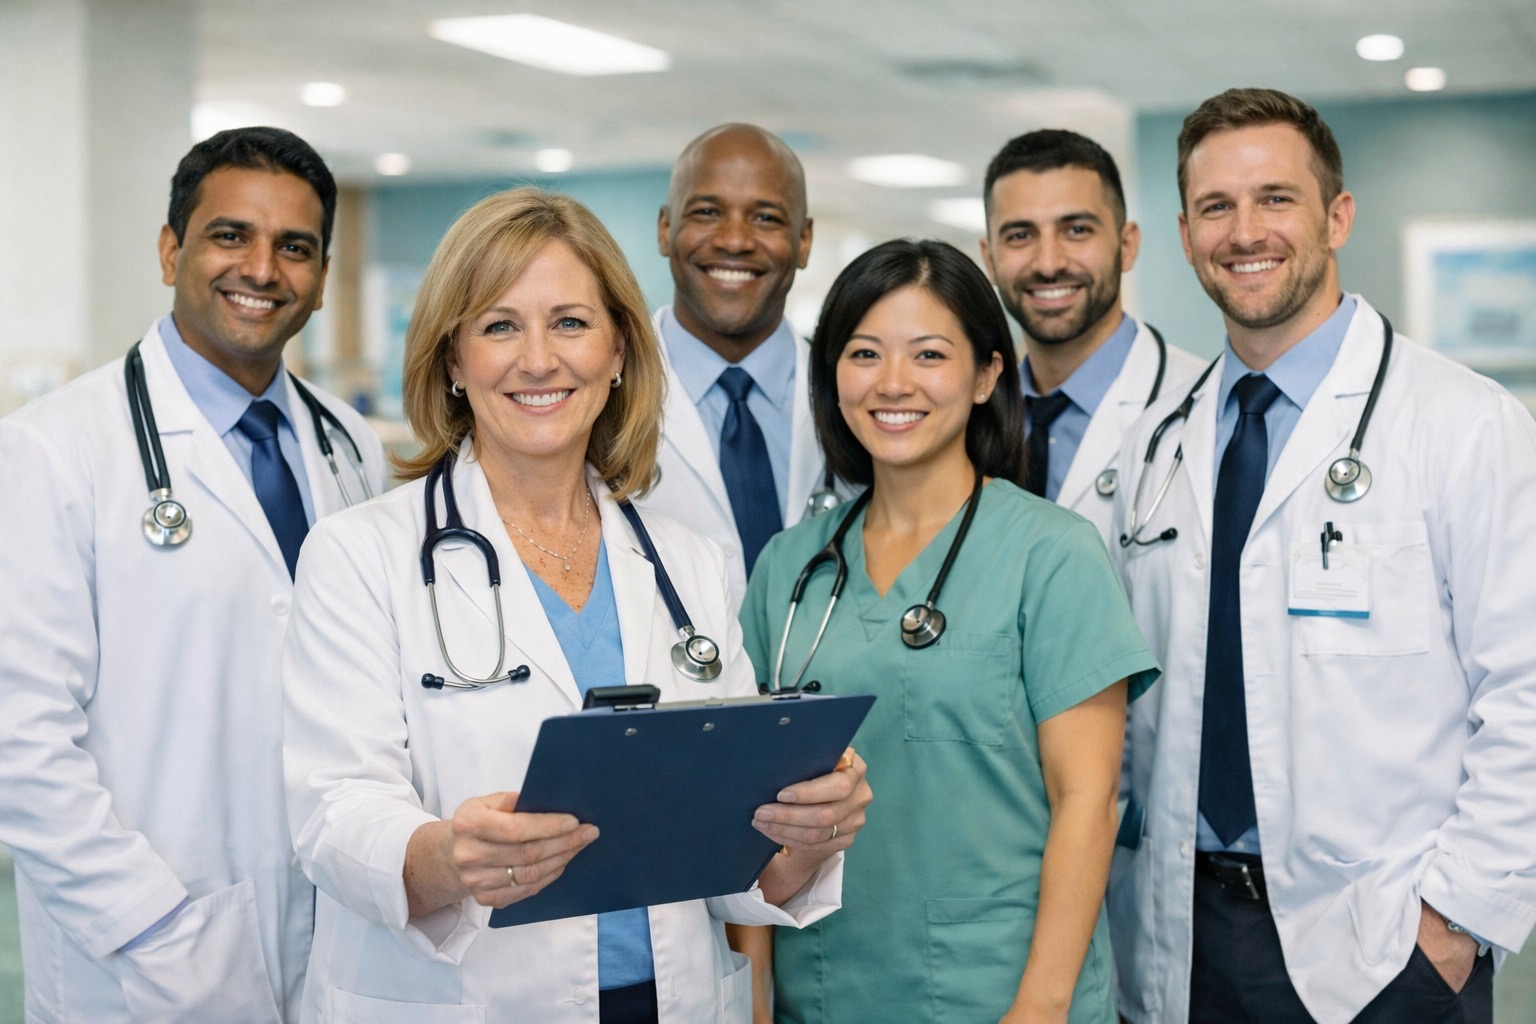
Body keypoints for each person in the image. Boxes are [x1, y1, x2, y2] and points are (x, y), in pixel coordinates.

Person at [281, 187, 871, 1023]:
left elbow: (737, 868)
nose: (537, 360)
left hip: (669, 998)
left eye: (569, 322)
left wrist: (805, 835)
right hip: (463, 998)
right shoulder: (360, 556)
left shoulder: (690, 564)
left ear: (620, 347)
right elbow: (331, 812)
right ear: (451, 359)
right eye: (498, 326)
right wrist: (447, 856)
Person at [1108, 88, 1536, 1024]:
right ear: (1184, 234)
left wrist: (1455, 924)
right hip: (1182, 937)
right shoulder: (1154, 449)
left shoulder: (1465, 425)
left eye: (1275, 198)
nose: (1244, 231)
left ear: (1336, 215)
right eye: (1216, 207)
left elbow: (1527, 691)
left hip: (1388, 948)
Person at [0, 127, 385, 1022]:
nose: (262, 268)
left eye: (295, 247)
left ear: (322, 277)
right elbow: (19, 743)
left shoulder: (349, 444)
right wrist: (156, 927)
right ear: (172, 249)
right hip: (147, 957)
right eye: (229, 235)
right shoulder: (55, 450)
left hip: (338, 934)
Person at [740, 238, 1159, 1023]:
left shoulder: (1051, 553)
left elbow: (1088, 800)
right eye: (864, 353)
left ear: (986, 375)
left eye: (928, 354)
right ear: (832, 375)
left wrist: (1039, 1008)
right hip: (824, 991)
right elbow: (745, 818)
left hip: (1002, 992)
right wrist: (754, 1003)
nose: (893, 383)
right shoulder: (788, 570)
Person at [644, 123, 838, 606]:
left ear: (805, 239)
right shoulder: (601, 394)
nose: (735, 240)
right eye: (707, 212)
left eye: (766, 218)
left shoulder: (852, 395)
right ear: (666, 228)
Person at [981, 129, 1204, 545]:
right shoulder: (966, 417)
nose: (1048, 263)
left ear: (1127, 244)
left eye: (1077, 230)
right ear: (988, 258)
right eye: (1020, 235)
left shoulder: (1201, 404)